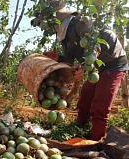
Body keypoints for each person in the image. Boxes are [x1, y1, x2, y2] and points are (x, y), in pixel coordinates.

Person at [32, 1, 129, 141]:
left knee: (100, 106)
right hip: (96, 67)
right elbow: (69, 60)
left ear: (54, 18)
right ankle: (81, 129)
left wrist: (84, 66)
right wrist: (58, 58)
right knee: (85, 99)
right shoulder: (63, 35)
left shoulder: (80, 23)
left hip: (113, 63)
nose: (44, 27)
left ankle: (96, 141)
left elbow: (94, 45)